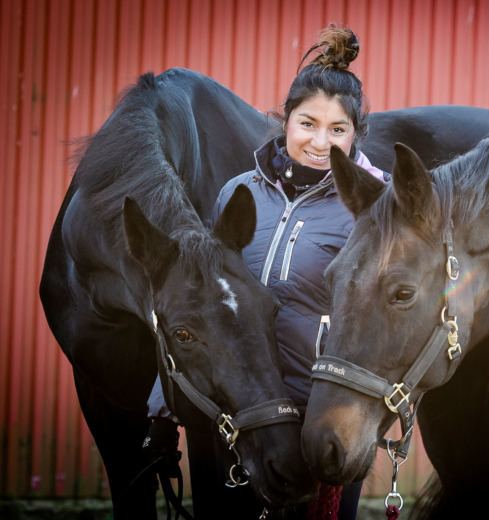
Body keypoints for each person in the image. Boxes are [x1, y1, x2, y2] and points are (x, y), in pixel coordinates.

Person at [145, 23, 385, 519]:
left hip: (319, 422)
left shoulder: (372, 207)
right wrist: (162, 404)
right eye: (307, 123)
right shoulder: (240, 193)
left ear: (356, 134)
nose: (321, 142)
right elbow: (194, 301)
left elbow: (384, 320)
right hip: (240, 416)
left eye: (338, 130)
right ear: (284, 121)